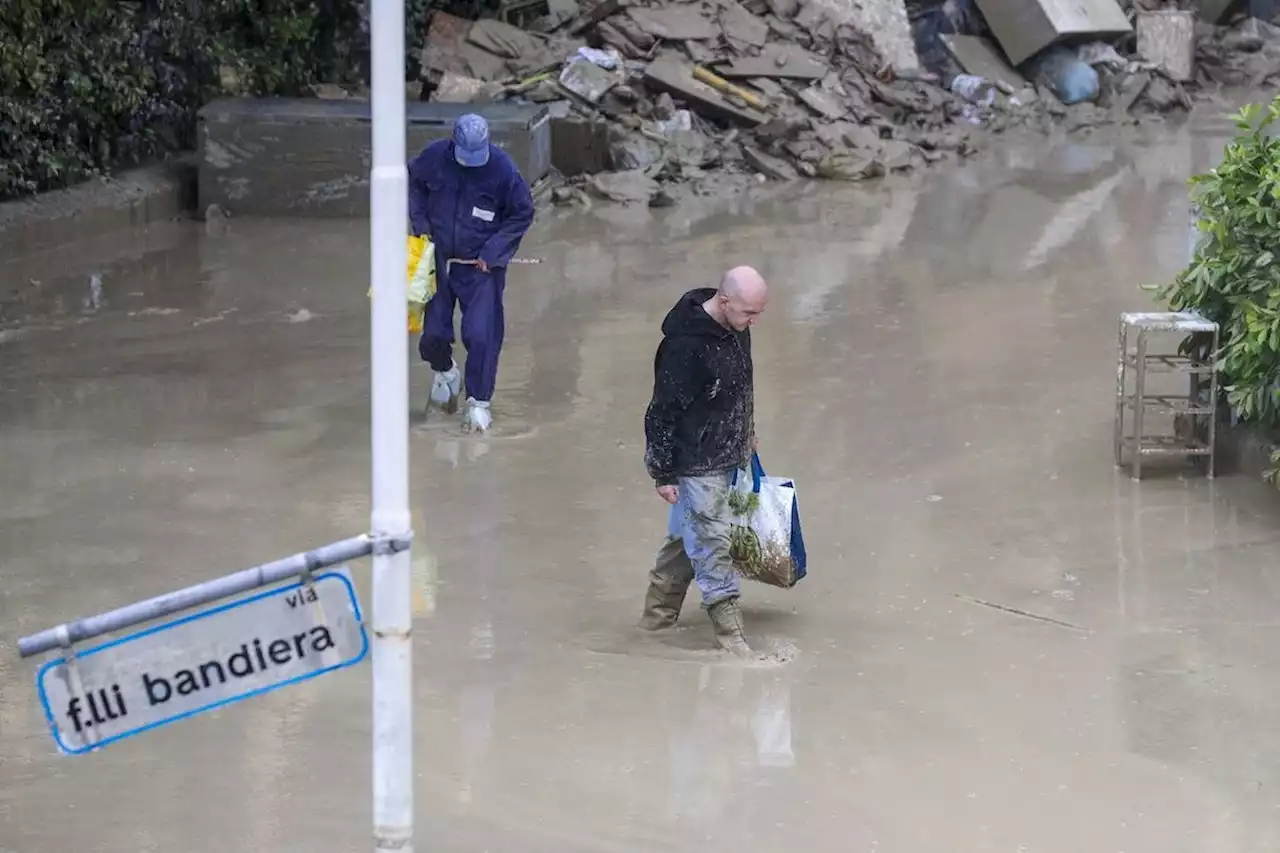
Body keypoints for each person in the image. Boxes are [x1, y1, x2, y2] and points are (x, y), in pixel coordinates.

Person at [639, 266, 769, 656]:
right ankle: (733, 642)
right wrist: (662, 472)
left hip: (730, 453)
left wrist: (747, 432)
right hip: (696, 462)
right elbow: (660, 413)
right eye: (749, 312)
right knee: (713, 545)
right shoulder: (683, 347)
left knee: (684, 541)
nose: (754, 322)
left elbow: (737, 385)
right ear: (724, 301)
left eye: (759, 313)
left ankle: (654, 624)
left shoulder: (737, 328)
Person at [408, 113, 535, 432]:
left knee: (481, 334)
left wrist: (493, 252)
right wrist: (421, 224)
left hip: (480, 267)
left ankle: (478, 402)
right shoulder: (434, 157)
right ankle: (446, 372)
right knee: (433, 333)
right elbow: (414, 184)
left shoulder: (503, 170)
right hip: (437, 259)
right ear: (454, 143)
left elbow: (522, 213)